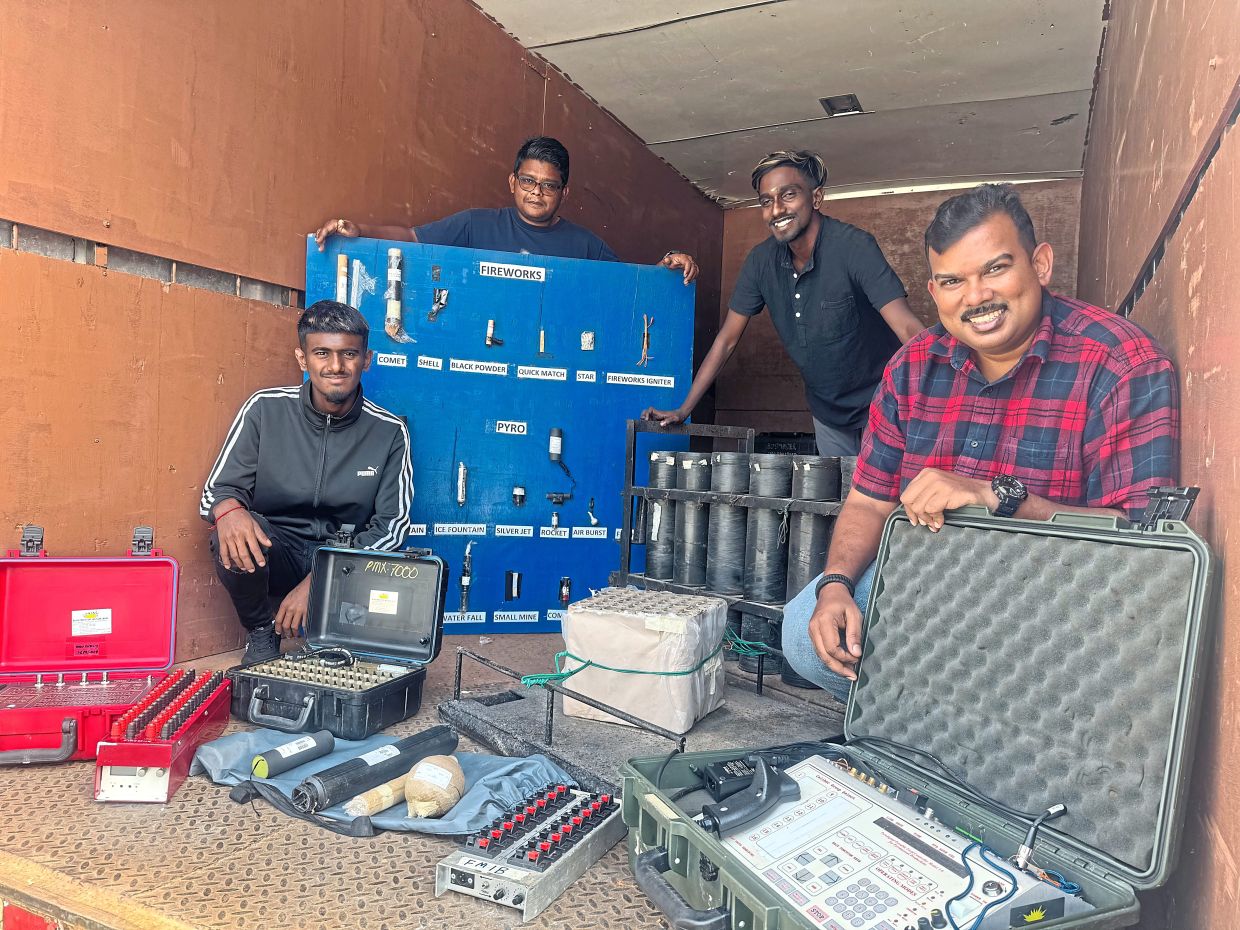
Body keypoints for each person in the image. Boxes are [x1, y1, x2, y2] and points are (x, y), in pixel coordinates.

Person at [781, 183, 1180, 699]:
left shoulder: (1121, 363)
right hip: (927, 586)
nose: (976, 297)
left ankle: (955, 719)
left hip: (1055, 608)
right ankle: (933, 716)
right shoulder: (911, 367)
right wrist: (835, 586)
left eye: (995, 269)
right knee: (805, 631)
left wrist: (996, 496)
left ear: (1040, 264)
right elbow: (867, 501)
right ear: (934, 291)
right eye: (953, 281)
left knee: (1005, 681)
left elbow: (1146, 539)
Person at [642, 150, 924, 455]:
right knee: (843, 500)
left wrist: (951, 395)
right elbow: (727, 340)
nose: (776, 209)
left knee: (890, 497)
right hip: (827, 412)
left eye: (788, 195)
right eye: (766, 201)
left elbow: (907, 328)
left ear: (816, 198)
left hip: (885, 401)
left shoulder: (854, 246)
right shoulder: (761, 261)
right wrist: (684, 410)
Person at [199, 301, 414, 665]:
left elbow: (392, 527)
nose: (335, 366)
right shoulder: (265, 408)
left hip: (343, 559)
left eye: (349, 354)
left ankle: (332, 631)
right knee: (228, 527)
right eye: (322, 353)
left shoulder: (390, 432)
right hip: (278, 548)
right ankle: (261, 632)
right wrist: (229, 510)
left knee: (383, 568)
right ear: (303, 359)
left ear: (367, 360)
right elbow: (215, 493)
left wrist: (321, 580)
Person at [313, 136, 698, 284]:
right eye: (528, 181)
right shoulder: (474, 224)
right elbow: (413, 237)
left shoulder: (585, 245)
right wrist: (358, 229)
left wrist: (665, 266)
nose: (537, 192)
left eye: (549, 185)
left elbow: (629, 284)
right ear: (513, 182)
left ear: (564, 192)